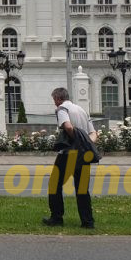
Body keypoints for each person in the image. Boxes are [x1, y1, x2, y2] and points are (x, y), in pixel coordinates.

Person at [43, 87, 97, 229]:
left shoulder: (62, 109)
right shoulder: (82, 110)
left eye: (54, 99)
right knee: (82, 188)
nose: (54, 103)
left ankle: (56, 218)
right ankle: (87, 221)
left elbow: (67, 126)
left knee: (54, 185)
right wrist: (86, 144)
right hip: (84, 154)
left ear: (58, 98)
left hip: (68, 154)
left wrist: (76, 140)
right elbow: (93, 133)